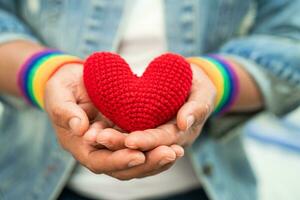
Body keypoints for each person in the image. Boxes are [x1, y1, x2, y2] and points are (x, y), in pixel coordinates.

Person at [0, 0, 299, 200]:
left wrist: (214, 82)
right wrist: (46, 74)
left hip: (208, 187)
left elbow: (290, 39)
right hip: (32, 183)